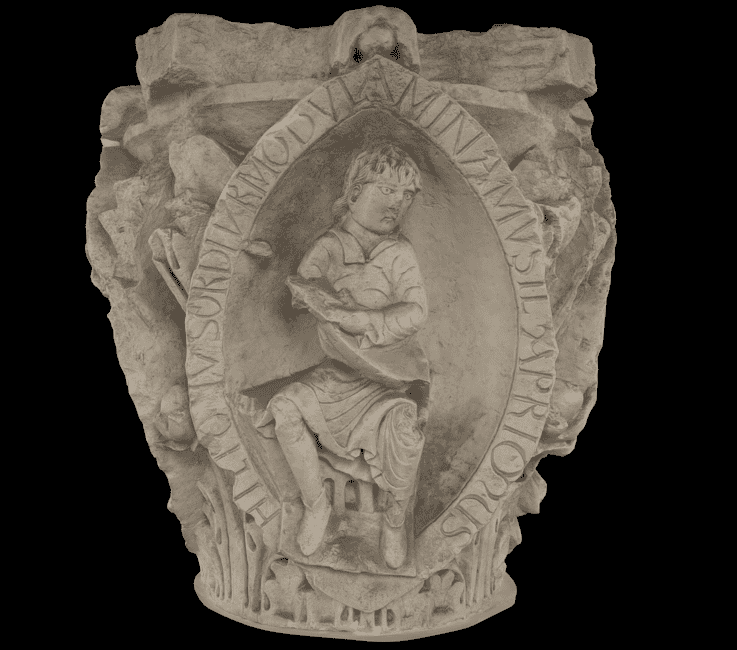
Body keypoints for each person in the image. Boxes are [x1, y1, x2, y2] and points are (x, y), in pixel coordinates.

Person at [251, 144, 431, 569]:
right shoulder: (329, 246)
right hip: (336, 373)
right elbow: (301, 293)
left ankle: (394, 520)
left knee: (406, 431)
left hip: (388, 377)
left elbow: (415, 311)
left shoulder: (400, 253)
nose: (397, 203)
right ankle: (316, 505)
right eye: (386, 189)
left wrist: (359, 318)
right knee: (286, 409)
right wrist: (308, 295)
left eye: (406, 195)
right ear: (353, 193)